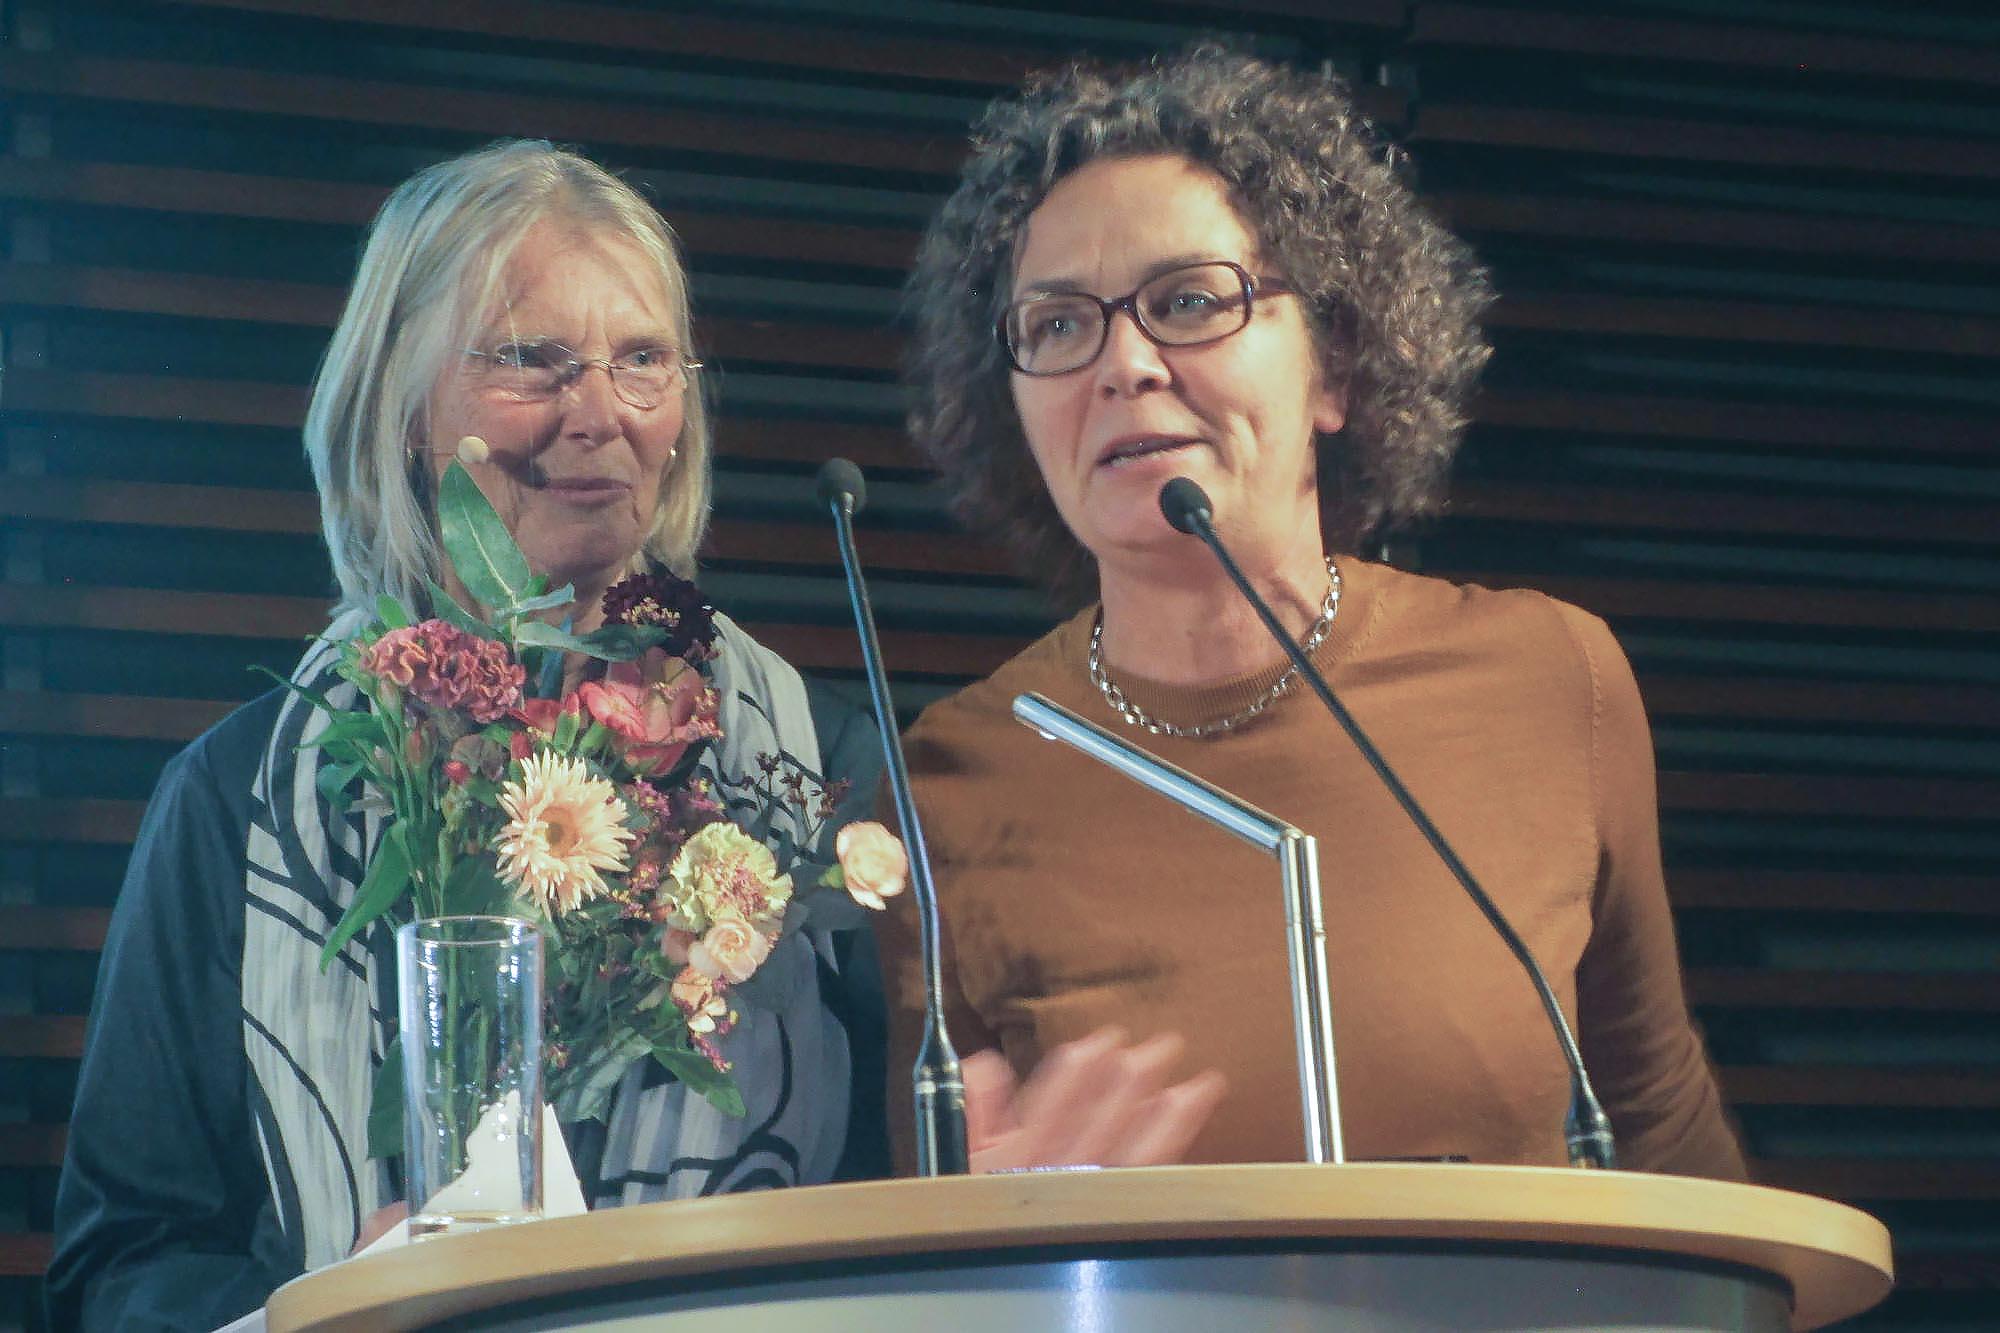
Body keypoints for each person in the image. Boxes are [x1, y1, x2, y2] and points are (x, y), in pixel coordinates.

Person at [46, 140, 888, 1332]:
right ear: (400, 406)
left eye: (642, 360)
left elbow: (898, 1215)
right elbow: (118, 1269)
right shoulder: (231, 802)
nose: (597, 412)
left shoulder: (819, 774)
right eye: (529, 360)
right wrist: (333, 1310)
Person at [877, 47, 1748, 1178]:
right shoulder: (947, 779)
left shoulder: (1550, 678)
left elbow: (1659, 1129)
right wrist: (994, 1251)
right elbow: (928, 1239)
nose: (1122, 363)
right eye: (1055, 326)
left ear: (1334, 365)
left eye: (1188, 301)